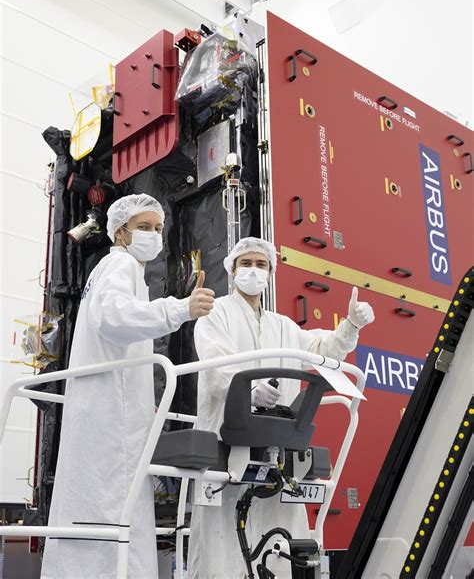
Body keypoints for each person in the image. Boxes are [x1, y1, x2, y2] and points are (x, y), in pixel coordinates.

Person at [41, 193, 215, 579]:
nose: (154, 234)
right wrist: (181, 308)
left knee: (97, 508)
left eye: (158, 228)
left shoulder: (111, 269)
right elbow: (114, 318)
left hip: (104, 410)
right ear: (120, 232)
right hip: (110, 420)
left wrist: (142, 402)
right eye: (144, 227)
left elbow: (118, 343)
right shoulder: (121, 264)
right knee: (116, 511)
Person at [188, 237, 374, 579]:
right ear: (232, 270)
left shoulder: (283, 326)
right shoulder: (216, 314)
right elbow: (216, 364)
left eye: (261, 265)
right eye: (246, 263)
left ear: (271, 273)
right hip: (226, 446)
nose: (253, 270)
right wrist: (248, 391)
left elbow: (324, 349)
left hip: (277, 447)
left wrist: (351, 325)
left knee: (280, 541)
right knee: (223, 542)